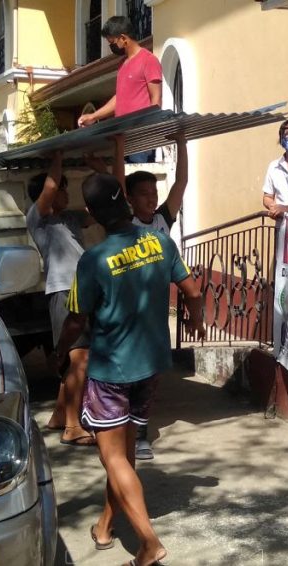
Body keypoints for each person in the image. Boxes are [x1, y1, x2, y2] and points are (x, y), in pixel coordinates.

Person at [56, 173, 205, 566]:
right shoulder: (160, 242)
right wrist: (199, 321)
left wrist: (60, 352)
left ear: (91, 213)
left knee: (113, 457)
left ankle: (149, 543)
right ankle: (105, 526)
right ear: (124, 201)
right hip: (151, 365)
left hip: (111, 370)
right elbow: (191, 291)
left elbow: (75, 320)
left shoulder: (93, 260)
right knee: (122, 454)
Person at [123, 131, 188, 459]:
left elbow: (181, 185)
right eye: (143, 194)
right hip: (129, 312)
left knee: (151, 373)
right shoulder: (125, 222)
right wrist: (119, 144)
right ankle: (132, 433)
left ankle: (141, 431)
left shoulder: (163, 219)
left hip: (157, 314)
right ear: (130, 199)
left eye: (153, 192)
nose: (151, 198)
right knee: (131, 372)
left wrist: (181, 143)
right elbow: (117, 185)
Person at [26, 152, 98, 446]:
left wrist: (101, 168)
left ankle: (58, 416)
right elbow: (51, 188)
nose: (65, 192)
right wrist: (60, 153)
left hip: (83, 289)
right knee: (80, 359)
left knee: (74, 359)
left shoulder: (71, 219)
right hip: (64, 290)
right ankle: (72, 427)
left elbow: (101, 206)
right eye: (63, 187)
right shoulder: (37, 218)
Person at [77, 15, 162, 164]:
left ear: (123, 38)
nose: (111, 47)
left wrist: (148, 133)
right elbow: (120, 98)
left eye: (112, 42)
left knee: (137, 182)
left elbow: (156, 100)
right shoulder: (123, 64)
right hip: (121, 136)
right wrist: (93, 116)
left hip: (139, 138)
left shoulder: (149, 60)